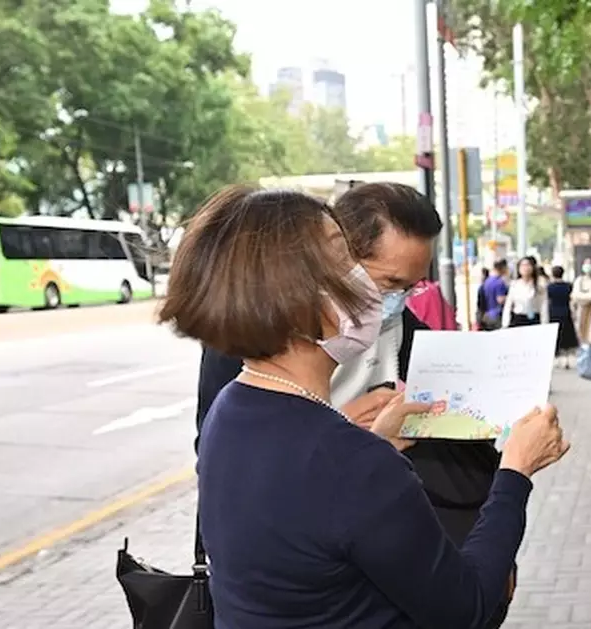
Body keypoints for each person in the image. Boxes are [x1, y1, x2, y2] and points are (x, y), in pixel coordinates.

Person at [169, 185, 570, 629]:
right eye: (345, 263)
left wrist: (376, 440)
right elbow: (465, 607)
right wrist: (516, 472)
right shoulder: (355, 463)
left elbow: (305, 498)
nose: (366, 288)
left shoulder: (233, 410)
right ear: (299, 296)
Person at [501, 255, 549, 328]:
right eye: (522, 265)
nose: (525, 268)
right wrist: (505, 324)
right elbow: (508, 306)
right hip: (518, 320)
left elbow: (543, 306)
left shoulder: (539, 285)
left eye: (528, 265)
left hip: (533, 320)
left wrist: (545, 325)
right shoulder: (514, 285)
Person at [546, 265, 579, 367]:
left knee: (556, 336)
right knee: (566, 335)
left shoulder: (549, 287)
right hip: (566, 312)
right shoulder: (568, 286)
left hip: (553, 313)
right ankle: (566, 358)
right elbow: (572, 299)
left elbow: (547, 301)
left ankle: (557, 358)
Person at [480, 259, 509, 331]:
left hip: (487, 315)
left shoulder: (487, 281)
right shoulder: (500, 282)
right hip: (497, 315)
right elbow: (500, 299)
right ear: (503, 268)